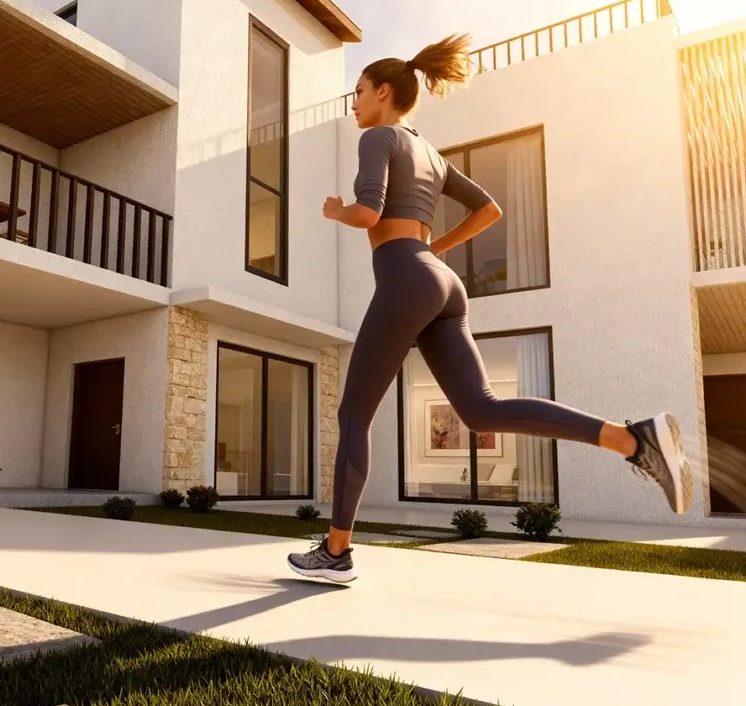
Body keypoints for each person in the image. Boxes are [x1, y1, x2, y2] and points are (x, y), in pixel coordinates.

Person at [287, 33, 694, 584]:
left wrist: (339, 211)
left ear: (384, 92)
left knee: (355, 414)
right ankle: (632, 438)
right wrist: (436, 251)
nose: (352, 102)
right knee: (483, 411)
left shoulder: (378, 138)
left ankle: (335, 552)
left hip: (405, 278)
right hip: (442, 284)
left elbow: (368, 213)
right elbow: (491, 209)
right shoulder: (428, 151)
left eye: (357, 90)